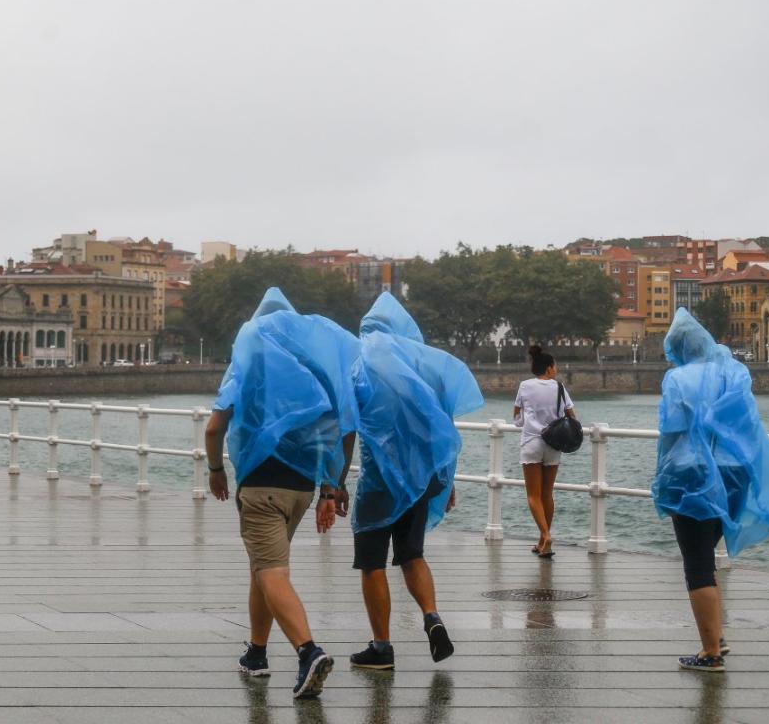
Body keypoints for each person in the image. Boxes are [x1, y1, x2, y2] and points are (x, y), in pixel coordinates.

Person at [205, 288, 359, 699]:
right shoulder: (313, 372)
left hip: (260, 488)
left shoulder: (249, 367)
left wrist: (216, 469)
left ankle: (308, 651)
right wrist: (332, 488)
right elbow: (342, 431)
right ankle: (256, 653)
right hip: (300, 490)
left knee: (272, 572)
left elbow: (213, 428)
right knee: (263, 566)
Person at [335, 292, 484, 670]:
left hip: (379, 484)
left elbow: (348, 429)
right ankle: (432, 617)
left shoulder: (359, 366)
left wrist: (336, 482)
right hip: (420, 478)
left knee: (372, 563)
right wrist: (446, 481)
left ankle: (382, 647)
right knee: (412, 555)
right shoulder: (425, 368)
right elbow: (442, 430)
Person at [651, 308, 769, 672]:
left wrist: (661, 478)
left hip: (692, 475)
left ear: (678, 348)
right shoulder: (733, 372)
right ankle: (716, 635)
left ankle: (710, 651)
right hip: (734, 474)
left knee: (696, 563)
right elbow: (745, 425)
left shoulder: (678, 379)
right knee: (709, 554)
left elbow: (673, 432)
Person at [512, 346, 576, 558]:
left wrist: (528, 421)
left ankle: (545, 536)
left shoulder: (525, 386)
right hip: (554, 444)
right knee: (547, 493)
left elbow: (517, 418)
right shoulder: (559, 387)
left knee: (533, 494)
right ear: (549, 368)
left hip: (531, 442)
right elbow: (571, 415)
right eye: (554, 366)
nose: (556, 369)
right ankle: (543, 540)